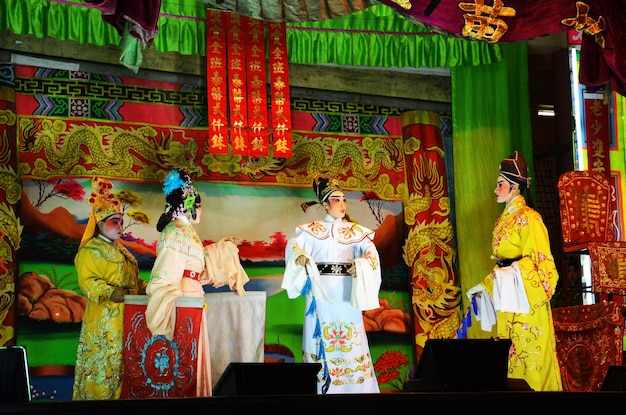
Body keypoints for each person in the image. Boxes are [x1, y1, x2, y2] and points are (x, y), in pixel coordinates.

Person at [138, 168, 249, 397]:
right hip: (183, 307)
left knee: (192, 359)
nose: (201, 211)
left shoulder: (185, 233)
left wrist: (221, 249)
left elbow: (195, 269)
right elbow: (163, 278)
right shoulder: (175, 233)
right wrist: (172, 304)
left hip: (193, 302)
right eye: (198, 206)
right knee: (185, 362)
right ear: (188, 205)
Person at [467, 151, 563, 392]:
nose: (496, 190)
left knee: (531, 360)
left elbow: (543, 265)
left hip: (527, 302)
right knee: (506, 358)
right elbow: (502, 267)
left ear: (515, 187)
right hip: (509, 302)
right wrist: (486, 287)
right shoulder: (503, 220)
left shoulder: (531, 219)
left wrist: (509, 275)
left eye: (500, 184)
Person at [281, 174, 382, 394]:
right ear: (326, 204)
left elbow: (370, 252)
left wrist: (363, 263)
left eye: (344, 199)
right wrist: (298, 255)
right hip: (320, 291)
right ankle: (321, 389)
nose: (343, 204)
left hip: (346, 294)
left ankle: (356, 390)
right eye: (337, 199)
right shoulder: (311, 230)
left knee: (351, 340)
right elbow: (293, 245)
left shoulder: (356, 232)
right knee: (320, 339)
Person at [72, 177, 145, 400]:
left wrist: (147, 288)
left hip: (129, 316)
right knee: (103, 363)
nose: (120, 227)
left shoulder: (124, 251)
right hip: (105, 318)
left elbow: (135, 280)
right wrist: (109, 292)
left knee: (127, 361)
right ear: (100, 223)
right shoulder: (90, 250)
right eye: (115, 222)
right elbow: (88, 281)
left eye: (121, 222)